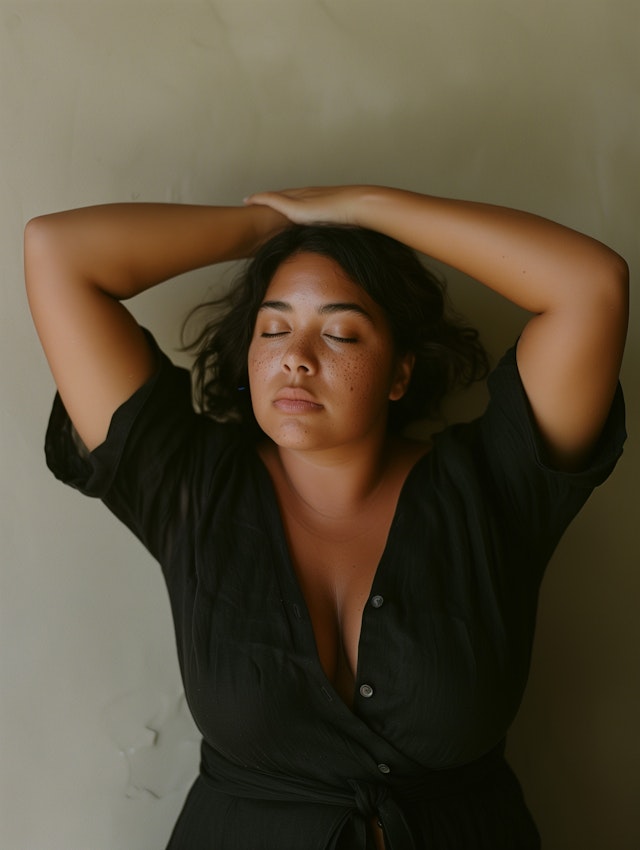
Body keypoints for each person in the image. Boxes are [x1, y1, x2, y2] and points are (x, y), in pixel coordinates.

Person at [25, 185, 628, 849]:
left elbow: (591, 285)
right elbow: (57, 253)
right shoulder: (189, 485)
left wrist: (363, 208)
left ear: (400, 373)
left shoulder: (494, 489)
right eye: (274, 328)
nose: (296, 356)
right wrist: (277, 222)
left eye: (340, 331)